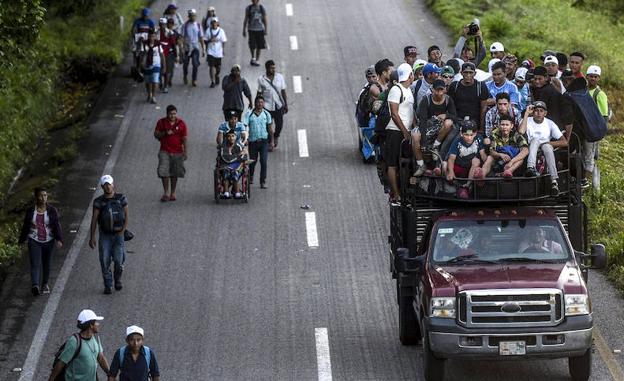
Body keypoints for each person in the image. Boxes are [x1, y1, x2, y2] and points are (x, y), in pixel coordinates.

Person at [19, 187, 63, 296]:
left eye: (45, 195)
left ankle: (45, 283)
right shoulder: (31, 211)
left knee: (46, 263)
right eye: (41, 195)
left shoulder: (52, 210)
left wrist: (59, 239)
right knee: (35, 263)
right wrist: (22, 240)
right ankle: (35, 285)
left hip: (49, 240)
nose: (43, 198)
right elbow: (26, 226)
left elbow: (56, 225)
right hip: (34, 240)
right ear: (36, 197)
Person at [517, 102, 568, 195]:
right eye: (536, 110)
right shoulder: (527, 120)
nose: (539, 113)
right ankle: (530, 168)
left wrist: (548, 143)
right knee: (535, 140)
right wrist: (526, 113)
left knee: (547, 147)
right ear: (533, 112)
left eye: (541, 111)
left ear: (545, 113)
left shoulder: (550, 123)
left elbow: (565, 142)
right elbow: (521, 131)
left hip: (545, 146)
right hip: (530, 146)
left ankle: (554, 182)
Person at [89, 175, 128, 294]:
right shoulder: (98, 202)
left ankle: (117, 279)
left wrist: (123, 230)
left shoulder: (121, 198)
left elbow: (126, 216)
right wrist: (92, 237)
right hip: (105, 235)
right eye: (105, 185)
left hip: (118, 234)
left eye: (109, 184)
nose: (108, 186)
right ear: (102, 186)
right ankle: (108, 284)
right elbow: (94, 219)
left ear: (113, 184)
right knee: (104, 260)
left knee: (118, 259)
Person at [48, 309, 109, 381]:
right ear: (91, 325)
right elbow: (61, 363)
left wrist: (110, 374)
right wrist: (51, 379)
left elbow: (101, 358)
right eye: (96, 322)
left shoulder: (95, 337)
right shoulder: (74, 341)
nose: (98, 324)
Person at [385, 63, 415, 201]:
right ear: (409, 75)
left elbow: (410, 112)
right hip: (395, 131)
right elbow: (394, 114)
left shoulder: (408, 90)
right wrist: (404, 131)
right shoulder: (396, 90)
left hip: (406, 131)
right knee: (393, 164)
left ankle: (405, 191)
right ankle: (396, 194)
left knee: (406, 163)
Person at [414, 79, 457, 170]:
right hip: (427, 126)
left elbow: (455, 116)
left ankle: (435, 145)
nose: (439, 93)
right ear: (432, 89)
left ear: (445, 90)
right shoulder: (426, 100)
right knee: (415, 136)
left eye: (441, 90)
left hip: (440, 127)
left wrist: (446, 115)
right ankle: (420, 164)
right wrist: (424, 142)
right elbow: (422, 121)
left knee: (449, 122)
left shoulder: (448, 100)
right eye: (437, 90)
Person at [154, 105, 188, 202]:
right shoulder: (161, 122)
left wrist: (185, 152)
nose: (172, 116)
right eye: (170, 114)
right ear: (167, 114)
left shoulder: (181, 124)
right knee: (163, 171)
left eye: (174, 114)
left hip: (177, 152)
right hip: (164, 151)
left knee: (174, 172)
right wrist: (164, 133)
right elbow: (156, 134)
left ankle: (172, 193)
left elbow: (184, 139)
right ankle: (166, 193)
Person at [445, 119, 487, 199]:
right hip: (459, 167)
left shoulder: (479, 139)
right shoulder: (457, 141)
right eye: (466, 135)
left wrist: (486, 166)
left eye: (472, 135)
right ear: (461, 134)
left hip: (471, 168)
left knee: (476, 160)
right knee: (444, 164)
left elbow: (482, 154)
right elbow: (451, 158)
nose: (469, 137)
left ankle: (468, 185)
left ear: (475, 133)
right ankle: (453, 184)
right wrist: (451, 171)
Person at [531, 66, 573, 140]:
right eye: (535, 79)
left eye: (540, 79)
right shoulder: (549, 88)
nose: (537, 81)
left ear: (546, 78)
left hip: (551, 127)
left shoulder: (545, 91)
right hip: (558, 126)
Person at [447, 62, 489, 132]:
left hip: (474, 121)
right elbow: (450, 105)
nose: (468, 75)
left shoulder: (481, 86)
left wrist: (481, 129)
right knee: (451, 138)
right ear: (461, 73)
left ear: (474, 73)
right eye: (466, 72)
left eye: (470, 72)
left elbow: (483, 108)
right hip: (458, 120)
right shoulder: (455, 86)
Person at [257, 60, 288, 147]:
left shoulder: (280, 77)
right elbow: (259, 93)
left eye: (274, 68)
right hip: (266, 106)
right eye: (271, 68)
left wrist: (286, 104)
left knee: (279, 124)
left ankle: (276, 136)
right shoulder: (261, 79)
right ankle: (270, 141)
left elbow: (283, 91)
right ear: (267, 68)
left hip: (278, 105)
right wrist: (257, 106)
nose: (273, 70)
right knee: (267, 125)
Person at [245, 96, 273, 188]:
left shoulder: (267, 114)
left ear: (263, 103)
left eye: (261, 102)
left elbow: (270, 128)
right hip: (253, 142)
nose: (260, 104)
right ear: (255, 103)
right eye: (258, 102)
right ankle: (251, 176)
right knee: (253, 161)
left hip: (264, 142)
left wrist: (271, 141)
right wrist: (244, 139)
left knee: (263, 161)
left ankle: (262, 181)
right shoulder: (249, 114)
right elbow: (245, 127)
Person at [218, 130, 247, 199]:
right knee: (226, 172)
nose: (231, 138)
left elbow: (244, 156)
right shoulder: (223, 147)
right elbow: (224, 157)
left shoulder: (239, 146)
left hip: (237, 166)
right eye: (229, 136)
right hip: (225, 165)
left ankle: (237, 193)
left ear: (236, 137)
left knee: (235, 173)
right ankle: (226, 192)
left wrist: (240, 156)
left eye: (233, 136)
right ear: (226, 138)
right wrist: (238, 156)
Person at [181, 9, 205, 87]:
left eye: (194, 15)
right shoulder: (185, 25)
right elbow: (182, 37)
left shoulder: (198, 25)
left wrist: (203, 49)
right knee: (185, 64)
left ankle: (194, 79)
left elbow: (201, 37)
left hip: (195, 47)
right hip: (187, 47)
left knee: (195, 64)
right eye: (191, 16)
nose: (193, 17)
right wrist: (182, 47)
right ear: (189, 16)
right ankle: (185, 75)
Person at [140, 30, 165, 104]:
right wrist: (140, 65)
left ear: (155, 37)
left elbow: (162, 55)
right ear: (148, 37)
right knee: (147, 81)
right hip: (146, 64)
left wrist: (164, 66)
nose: (151, 38)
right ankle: (149, 94)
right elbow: (142, 54)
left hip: (156, 64)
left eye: (153, 36)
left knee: (155, 80)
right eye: (150, 36)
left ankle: (153, 96)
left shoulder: (158, 44)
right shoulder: (144, 44)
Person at [243, 0, 268, 66]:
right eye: (253, 0)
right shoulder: (249, 8)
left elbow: (265, 19)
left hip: (260, 29)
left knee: (259, 46)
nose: (254, 1)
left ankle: (257, 59)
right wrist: (244, 29)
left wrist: (266, 29)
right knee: (252, 45)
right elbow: (246, 19)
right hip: (251, 29)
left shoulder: (261, 8)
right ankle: (253, 57)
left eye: (256, 0)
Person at [205, 18, 227, 88]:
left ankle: (217, 75)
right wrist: (209, 41)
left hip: (218, 52)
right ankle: (212, 81)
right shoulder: (208, 31)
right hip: (210, 51)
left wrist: (223, 50)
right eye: (213, 23)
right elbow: (205, 40)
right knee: (211, 66)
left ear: (217, 23)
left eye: (215, 22)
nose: (214, 24)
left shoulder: (221, 31)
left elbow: (223, 41)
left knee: (218, 67)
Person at [132, 8, 155, 75]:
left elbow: (153, 31)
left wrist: (150, 36)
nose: (145, 17)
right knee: (136, 51)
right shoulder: (137, 21)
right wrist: (135, 36)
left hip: (147, 39)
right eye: (144, 15)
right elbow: (133, 30)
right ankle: (137, 65)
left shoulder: (150, 22)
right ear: (142, 15)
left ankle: (145, 65)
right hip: (139, 39)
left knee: (148, 51)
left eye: (146, 16)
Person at [161, 18, 179, 90]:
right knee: (162, 69)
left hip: (170, 53)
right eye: (169, 23)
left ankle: (167, 83)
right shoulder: (160, 32)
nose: (170, 25)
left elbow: (176, 43)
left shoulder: (174, 33)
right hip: (162, 53)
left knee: (169, 69)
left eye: (172, 23)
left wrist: (177, 54)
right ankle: (162, 82)